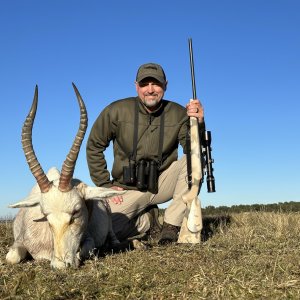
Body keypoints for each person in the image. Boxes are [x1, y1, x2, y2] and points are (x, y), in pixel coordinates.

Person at [86, 63, 204, 244]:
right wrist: (104, 184)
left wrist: (199, 123)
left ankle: (171, 226)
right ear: (136, 86)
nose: (150, 90)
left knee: (194, 162)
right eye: (144, 84)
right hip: (126, 190)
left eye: (156, 84)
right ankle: (147, 221)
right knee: (98, 232)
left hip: (161, 184)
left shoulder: (179, 113)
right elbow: (94, 145)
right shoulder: (116, 110)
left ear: (165, 85)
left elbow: (193, 149)